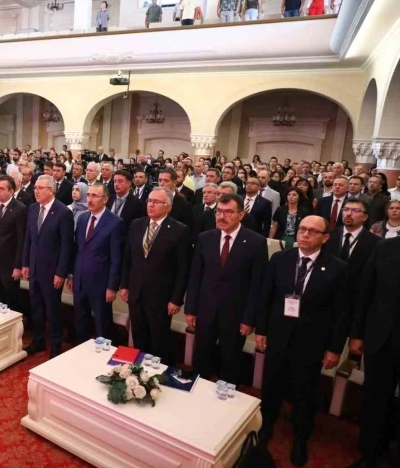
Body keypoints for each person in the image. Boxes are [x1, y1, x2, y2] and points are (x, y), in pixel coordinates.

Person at [255, 216, 349, 466]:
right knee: (271, 384)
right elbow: (265, 297)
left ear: (325, 238)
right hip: (278, 334)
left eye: (313, 231)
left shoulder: (338, 268)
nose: (305, 235)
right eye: (302, 229)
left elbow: (342, 313)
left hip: (311, 341)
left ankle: (300, 437)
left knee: (304, 390)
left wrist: (334, 348)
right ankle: (266, 426)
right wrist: (261, 330)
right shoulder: (280, 259)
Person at [185, 193, 268, 385]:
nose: (222, 216)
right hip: (206, 310)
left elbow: (257, 284)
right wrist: (190, 309)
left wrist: (249, 319)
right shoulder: (205, 238)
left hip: (236, 314)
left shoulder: (256, 242)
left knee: (230, 362)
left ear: (241, 215)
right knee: (201, 359)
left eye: (228, 212)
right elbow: (195, 276)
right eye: (219, 211)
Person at [120, 187, 191, 361]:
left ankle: (156, 373)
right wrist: (124, 285)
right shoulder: (137, 224)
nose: (150, 205)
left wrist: (176, 299)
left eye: (156, 202)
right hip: (136, 292)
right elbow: (127, 258)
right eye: (149, 201)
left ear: (168, 206)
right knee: (139, 336)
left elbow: (183, 269)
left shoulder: (180, 230)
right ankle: (139, 370)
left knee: (159, 340)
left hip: (161, 297)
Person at [348, 237, 400, 468]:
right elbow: (365, 292)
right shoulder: (386, 247)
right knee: (375, 400)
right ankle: (369, 455)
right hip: (382, 339)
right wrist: (357, 334)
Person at [22, 175, 74, 359]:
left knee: (53, 310)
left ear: (51, 190)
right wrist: (25, 263)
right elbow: (28, 238)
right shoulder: (33, 209)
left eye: (40, 188)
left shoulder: (63, 212)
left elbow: (67, 246)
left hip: (52, 271)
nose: (36, 191)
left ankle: (56, 344)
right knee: (36, 307)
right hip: (34, 267)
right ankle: (38, 340)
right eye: (35, 187)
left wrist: (61, 273)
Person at [68, 183, 123, 343]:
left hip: (101, 284)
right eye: (88, 195)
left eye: (94, 196)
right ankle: (82, 350)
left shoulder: (115, 223)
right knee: (80, 321)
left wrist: (112, 286)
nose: (89, 199)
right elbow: (77, 249)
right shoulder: (83, 218)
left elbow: (116, 258)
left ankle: (104, 354)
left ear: (105, 199)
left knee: (102, 324)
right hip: (79, 280)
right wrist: (72, 275)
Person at [0, 175, 27, 312]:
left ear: (11, 191)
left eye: (2, 189)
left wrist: (18, 266)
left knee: (11, 298)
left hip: (9, 263)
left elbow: (21, 239)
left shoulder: (20, 209)